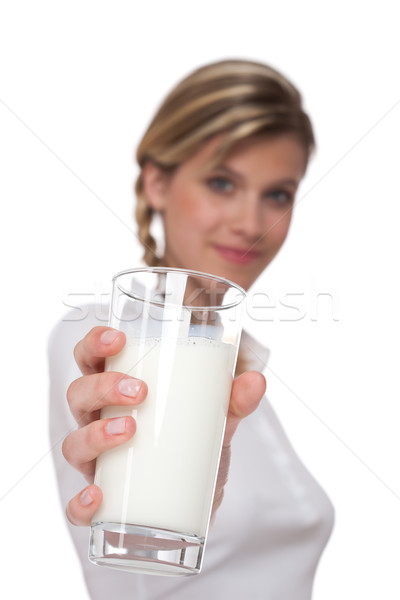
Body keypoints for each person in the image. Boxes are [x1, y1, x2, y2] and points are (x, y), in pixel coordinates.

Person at [49, 59, 334, 599]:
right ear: (157, 181)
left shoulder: (234, 360)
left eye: (278, 193)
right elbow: (128, 580)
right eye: (222, 182)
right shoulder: (104, 337)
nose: (252, 223)